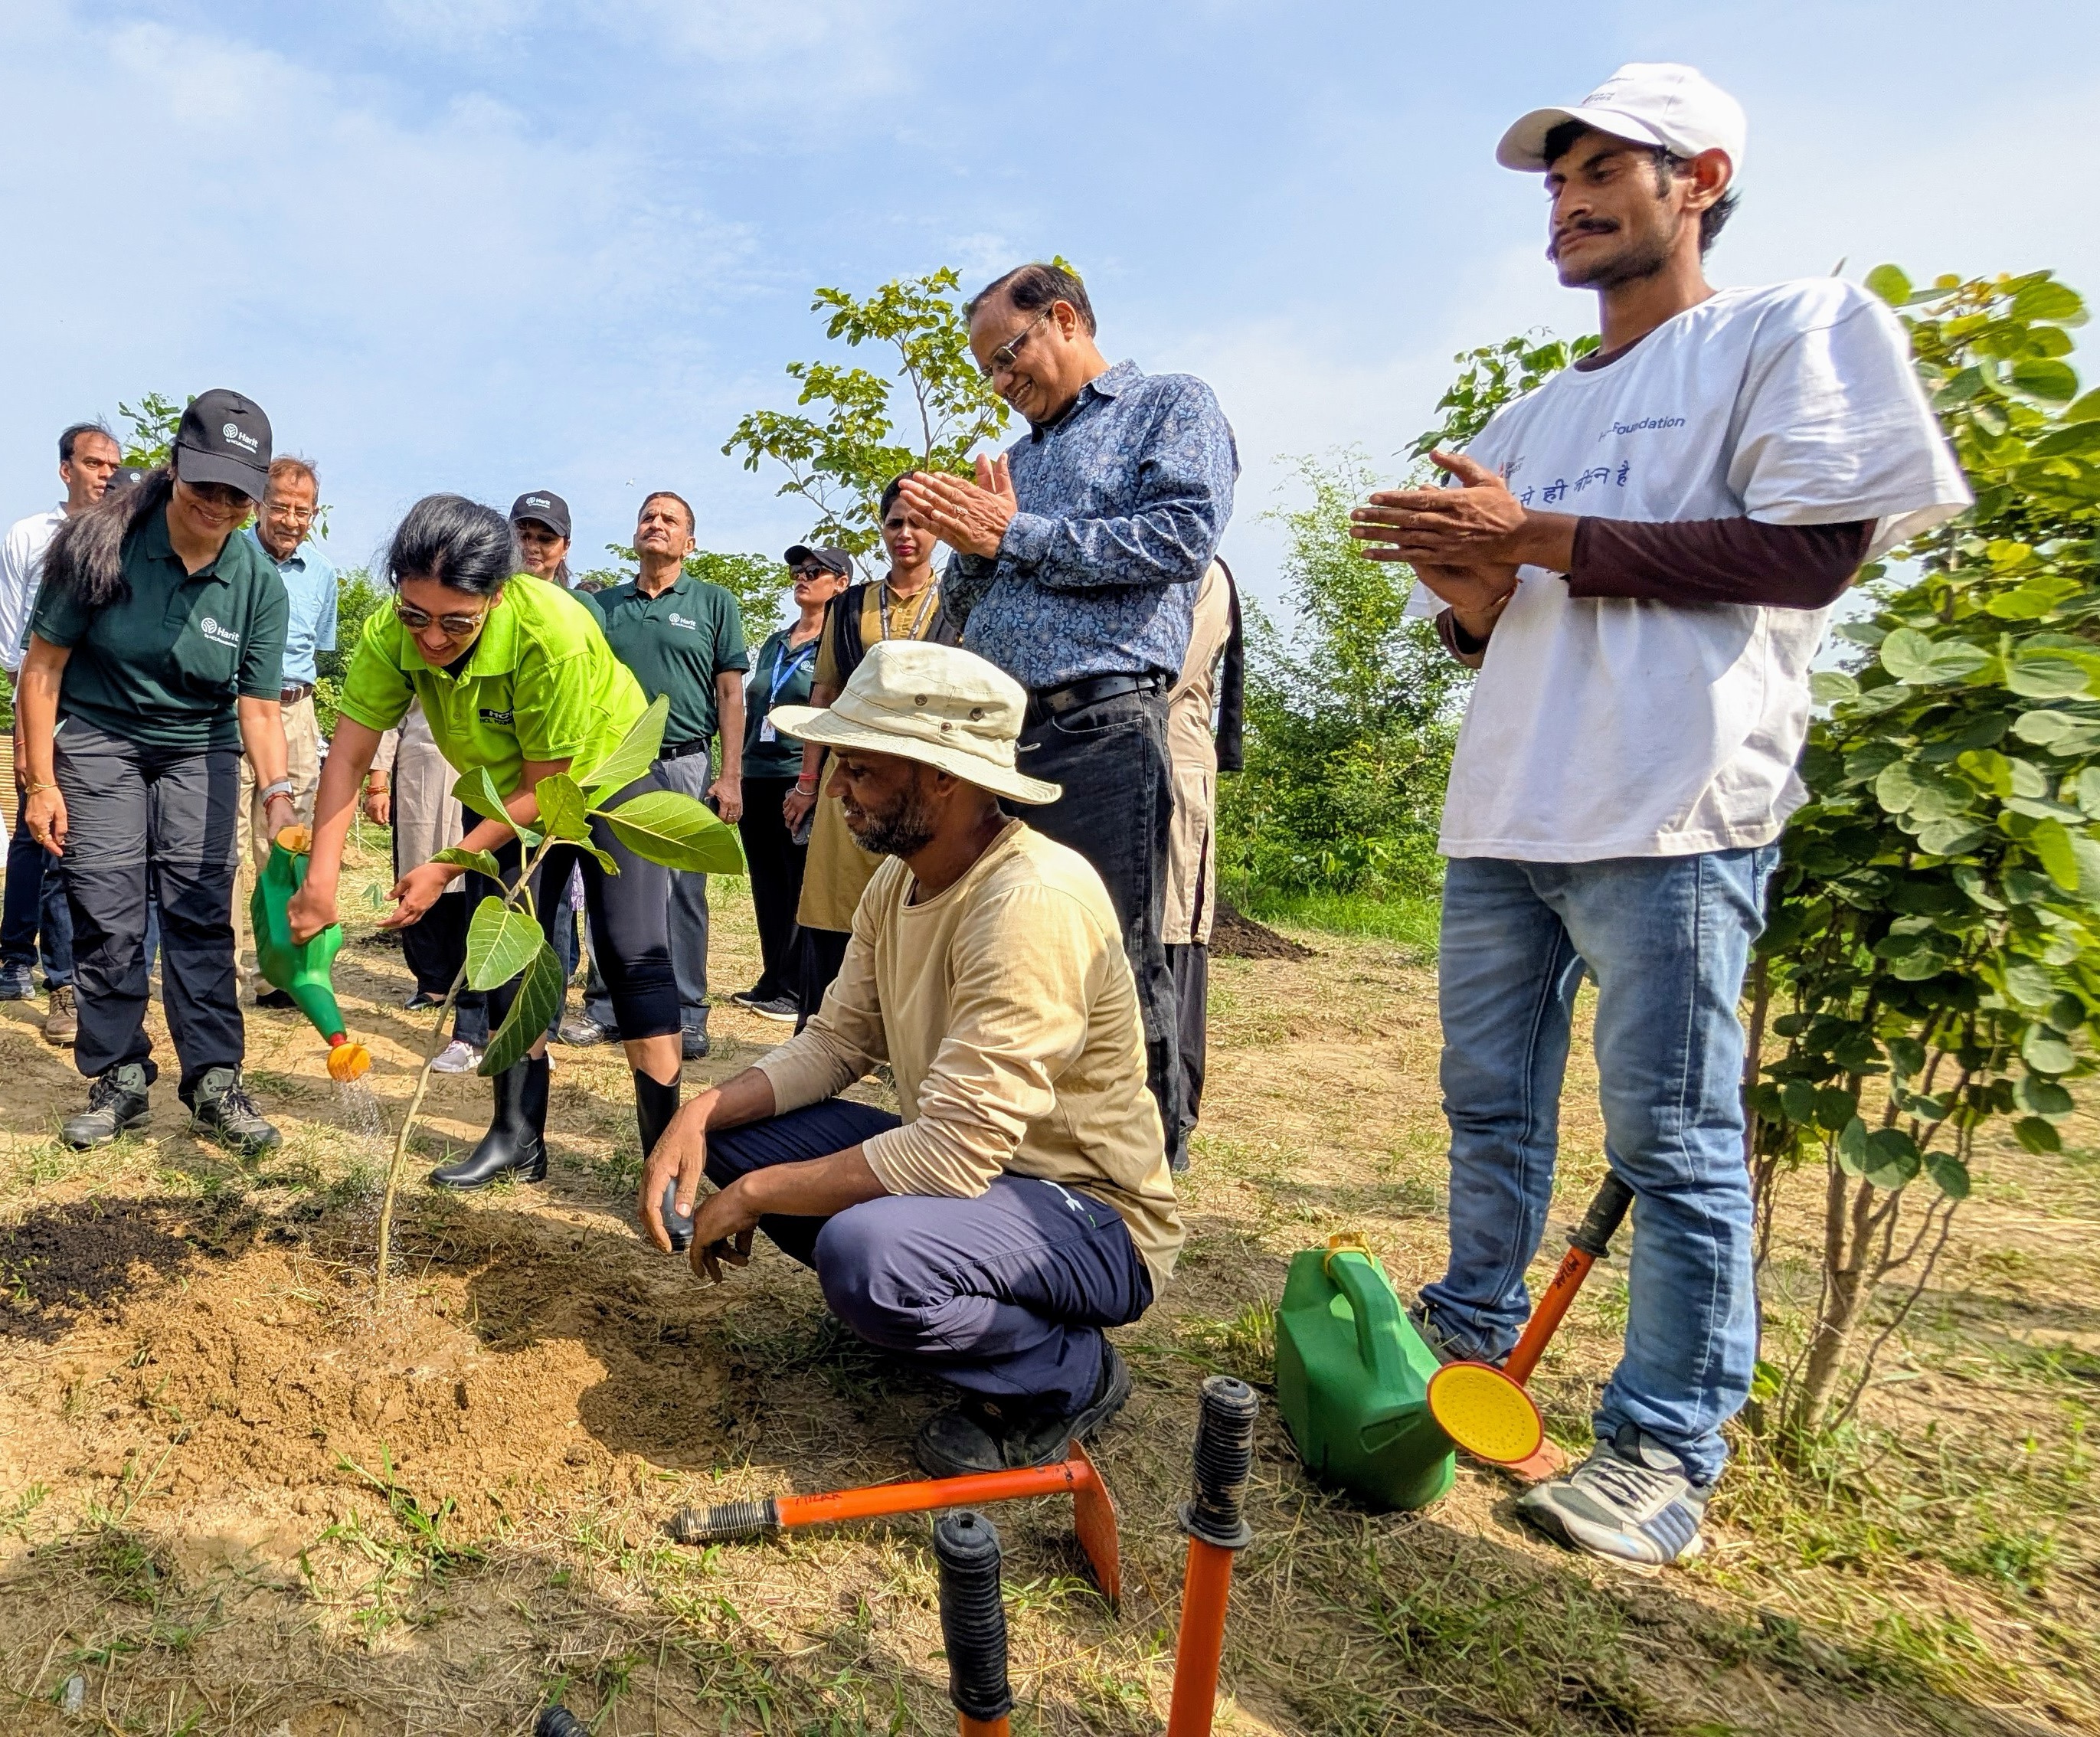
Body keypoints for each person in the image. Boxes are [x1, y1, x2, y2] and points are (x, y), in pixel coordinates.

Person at [1348, 64, 1972, 1565]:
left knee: (1672, 1137)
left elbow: (1812, 554)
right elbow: (1499, 627)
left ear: (1698, 180)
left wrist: (1538, 534)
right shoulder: (1534, 409)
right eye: (1555, 180)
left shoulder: (1792, 330)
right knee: (1488, 1105)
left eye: (1600, 171)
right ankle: (1469, 1330)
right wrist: (1472, 588)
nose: (1566, 201)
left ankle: (1661, 1445)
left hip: (1674, 808)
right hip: (1509, 806)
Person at [642, 640, 1180, 1477]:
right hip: (980, 1183)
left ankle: (1067, 1373)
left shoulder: (1030, 902)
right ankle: (948, 1303)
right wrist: (701, 1112)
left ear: (942, 777)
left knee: (868, 1255)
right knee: (739, 1134)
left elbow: (954, 1151)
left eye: (860, 770)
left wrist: (755, 1195)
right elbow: (836, 1041)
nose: (837, 789)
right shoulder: (899, 882)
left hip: (1089, 1214)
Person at [901, 261, 1239, 1170]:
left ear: (1063, 318)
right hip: (993, 739)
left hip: (1098, 728)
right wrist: (976, 544)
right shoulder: (1019, 463)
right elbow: (967, 599)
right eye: (988, 371)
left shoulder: (1168, 406)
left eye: (1008, 357)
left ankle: (1140, 1172)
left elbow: (1181, 537)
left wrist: (1015, 534)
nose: (1001, 383)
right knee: (1004, 944)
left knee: (1110, 953)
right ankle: (1020, 1143)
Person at [289, 494, 685, 1189]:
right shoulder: (390, 632)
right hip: (504, 793)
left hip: (604, 776)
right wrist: (319, 882)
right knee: (505, 957)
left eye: (457, 622)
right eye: (417, 615)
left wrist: (445, 865)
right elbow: (348, 756)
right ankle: (516, 1138)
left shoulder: (552, 632)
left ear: (498, 596)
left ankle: (667, 1160)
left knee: (633, 957)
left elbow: (550, 787)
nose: (433, 639)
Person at [18, 391, 296, 1153]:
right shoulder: (101, 543)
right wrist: (39, 782)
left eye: (238, 494)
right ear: (174, 466)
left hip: (199, 747)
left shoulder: (258, 581)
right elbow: (42, 669)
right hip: (99, 736)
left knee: (200, 911)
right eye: (206, 484)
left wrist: (277, 796)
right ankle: (120, 1077)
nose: (219, 505)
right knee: (108, 912)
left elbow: (259, 708)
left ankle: (214, 1080)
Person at [575, 492, 747, 1060]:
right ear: (635, 535)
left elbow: (731, 695)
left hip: (685, 761)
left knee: (683, 889)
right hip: (616, 762)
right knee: (610, 881)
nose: (657, 524)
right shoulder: (605, 606)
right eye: (648, 517)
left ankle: (689, 1013)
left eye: (670, 520)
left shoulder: (714, 602)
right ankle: (606, 1008)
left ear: (689, 543)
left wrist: (730, 775)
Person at [789, 497, 960, 1026]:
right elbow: (824, 694)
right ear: (882, 530)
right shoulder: (848, 606)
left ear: (938, 530)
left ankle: (910, 1040)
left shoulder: (959, 599)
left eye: (919, 522)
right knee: (834, 904)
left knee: (922, 902)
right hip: (851, 772)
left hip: (926, 778)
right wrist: (808, 781)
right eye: (895, 522)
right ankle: (823, 1035)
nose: (906, 533)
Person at [0, 422, 119, 1047]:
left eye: (112, 466)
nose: (105, 474)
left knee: (82, 850)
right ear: (65, 469)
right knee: (43, 843)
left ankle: (81, 973)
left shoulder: (127, 537)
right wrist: (27, 736)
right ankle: (53, 977)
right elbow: (16, 647)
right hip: (44, 701)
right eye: (93, 463)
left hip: (101, 708)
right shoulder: (28, 537)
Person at [729, 551, 849, 1022]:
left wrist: (809, 784)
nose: (802, 578)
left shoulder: (836, 644)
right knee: (767, 883)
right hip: (758, 774)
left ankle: (797, 988)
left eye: (814, 572)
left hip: (799, 777)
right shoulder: (775, 642)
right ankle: (772, 977)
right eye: (797, 572)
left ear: (840, 584)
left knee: (800, 882)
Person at [237, 456, 337, 1009]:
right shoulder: (229, 556)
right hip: (231, 712)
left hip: (295, 712)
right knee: (226, 843)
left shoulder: (323, 574)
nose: (291, 521)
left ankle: (277, 971)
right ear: (259, 504)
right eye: (280, 508)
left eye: (303, 511)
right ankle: (223, 972)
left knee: (286, 843)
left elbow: (316, 648)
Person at [1161, 559, 1238, 1166]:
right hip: (1105, 768)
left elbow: (1169, 676)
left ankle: (1173, 1117)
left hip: (1175, 769)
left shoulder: (1204, 574)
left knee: (1173, 936)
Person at [367, 708, 489, 1071]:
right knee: (418, 867)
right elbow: (387, 718)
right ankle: (432, 981)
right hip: (421, 767)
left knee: (473, 878)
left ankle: (470, 985)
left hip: (478, 765)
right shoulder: (412, 672)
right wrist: (378, 782)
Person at [509, 490, 587, 1037]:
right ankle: (483, 1022)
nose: (533, 546)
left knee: (552, 898)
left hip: (560, 775)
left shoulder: (581, 610)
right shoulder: (487, 599)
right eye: (524, 534)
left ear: (565, 547)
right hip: (502, 773)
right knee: (498, 893)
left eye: (545, 537)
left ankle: (545, 1021)